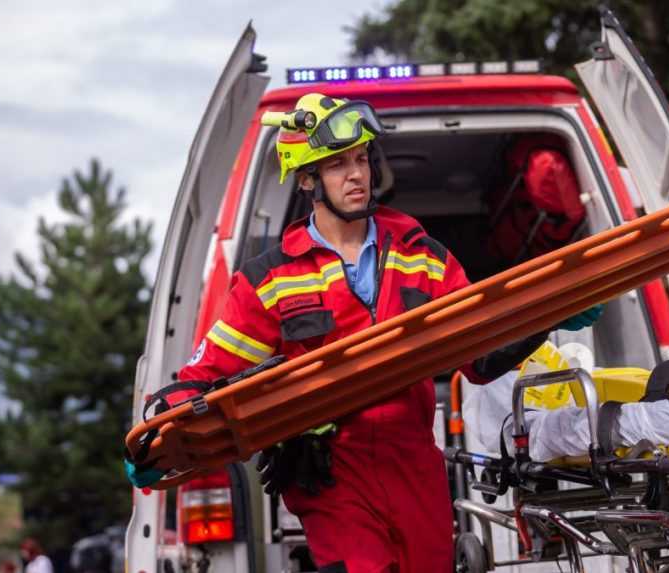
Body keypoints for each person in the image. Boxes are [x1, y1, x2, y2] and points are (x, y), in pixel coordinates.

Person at [126, 93, 601, 572]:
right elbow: (208, 374)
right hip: (334, 477)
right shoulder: (269, 280)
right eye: (336, 165)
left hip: (415, 467)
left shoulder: (424, 256)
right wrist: (161, 429)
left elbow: (478, 357)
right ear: (308, 177)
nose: (357, 175)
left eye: (361, 159)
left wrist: (546, 316)